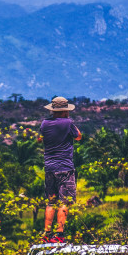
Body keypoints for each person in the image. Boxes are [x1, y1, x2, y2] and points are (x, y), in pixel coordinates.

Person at [38, 96, 82, 243]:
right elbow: (78, 137)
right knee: (64, 202)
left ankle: (46, 233)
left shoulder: (44, 124)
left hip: (49, 168)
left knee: (51, 202)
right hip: (65, 168)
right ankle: (59, 234)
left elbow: (40, 138)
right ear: (64, 111)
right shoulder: (68, 123)